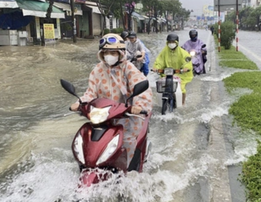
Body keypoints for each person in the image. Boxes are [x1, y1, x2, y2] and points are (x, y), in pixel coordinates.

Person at [70, 33, 153, 168]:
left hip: (126, 115)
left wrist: (138, 105)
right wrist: (80, 103)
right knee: (86, 140)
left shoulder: (128, 68)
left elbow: (142, 88)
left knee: (128, 141)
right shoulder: (97, 70)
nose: (109, 55)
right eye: (106, 52)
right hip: (103, 116)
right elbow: (90, 92)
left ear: (120, 53)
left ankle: (129, 169)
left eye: (113, 52)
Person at [153, 33, 193, 106]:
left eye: (173, 42)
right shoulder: (164, 51)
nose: (171, 44)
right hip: (167, 73)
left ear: (177, 43)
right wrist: (156, 68)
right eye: (170, 42)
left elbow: (187, 61)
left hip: (180, 74)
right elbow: (159, 61)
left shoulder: (182, 52)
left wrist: (185, 68)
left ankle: (182, 103)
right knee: (161, 86)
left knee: (181, 88)